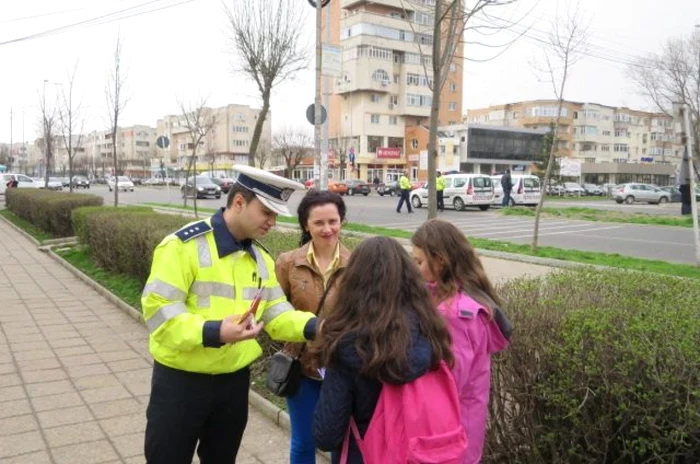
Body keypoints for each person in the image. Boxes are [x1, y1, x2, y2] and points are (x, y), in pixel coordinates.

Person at [141, 165, 320, 464]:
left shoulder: (261, 260)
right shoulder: (182, 246)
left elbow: (276, 314)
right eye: (267, 213)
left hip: (233, 386)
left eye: (275, 215)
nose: (272, 222)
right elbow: (160, 314)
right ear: (239, 202)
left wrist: (317, 326)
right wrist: (215, 331)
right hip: (181, 384)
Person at [311, 236, 454, 463]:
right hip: (420, 452)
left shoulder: (348, 345)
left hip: (365, 454)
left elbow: (326, 435)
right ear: (410, 280)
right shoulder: (432, 331)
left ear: (354, 284)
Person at [411, 219, 509, 464]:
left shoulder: (454, 314)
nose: (414, 268)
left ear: (440, 261)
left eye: (419, 262)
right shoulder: (461, 295)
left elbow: (450, 382)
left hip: (448, 436)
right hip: (463, 428)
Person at [275, 190, 351, 464]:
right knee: (303, 443)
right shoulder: (288, 263)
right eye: (319, 223)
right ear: (306, 225)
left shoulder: (356, 264)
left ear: (342, 221)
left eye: (333, 221)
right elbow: (274, 314)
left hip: (343, 370)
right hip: (302, 369)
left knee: (338, 443)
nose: (327, 229)